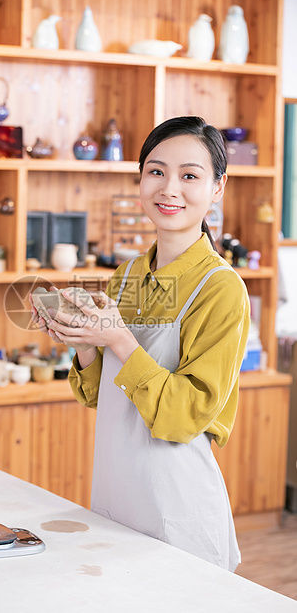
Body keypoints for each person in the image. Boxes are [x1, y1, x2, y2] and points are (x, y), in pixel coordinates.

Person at [30, 116, 250, 572]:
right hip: (116, 494)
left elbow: (184, 415)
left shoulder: (221, 289)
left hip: (178, 506)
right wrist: (80, 339)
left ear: (217, 187)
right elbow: (98, 394)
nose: (169, 188)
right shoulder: (127, 275)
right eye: (156, 171)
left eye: (190, 175)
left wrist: (118, 337)